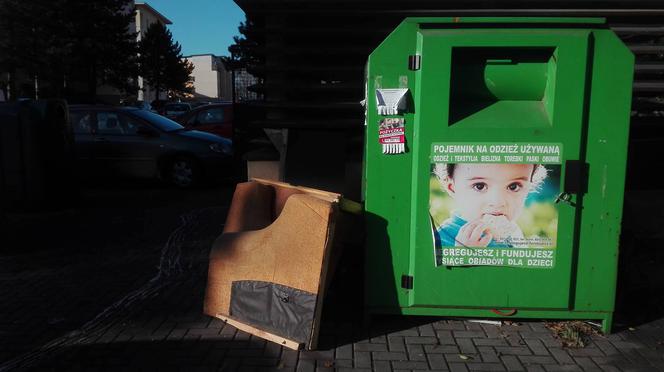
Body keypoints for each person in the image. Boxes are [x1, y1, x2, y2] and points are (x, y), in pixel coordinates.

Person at [432, 163, 547, 248]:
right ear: (452, 189)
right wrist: (463, 257)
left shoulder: (514, 232)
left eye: (513, 186)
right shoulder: (441, 239)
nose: (498, 202)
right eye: (479, 186)